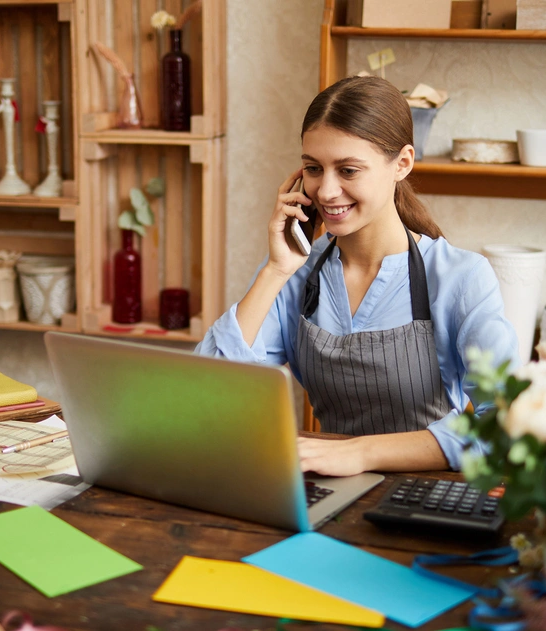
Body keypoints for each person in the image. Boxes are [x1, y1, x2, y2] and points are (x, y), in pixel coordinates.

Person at [194, 76, 518, 477]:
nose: (326, 191)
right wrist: (275, 271)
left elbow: (506, 426)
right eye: (313, 168)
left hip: (425, 495)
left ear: (402, 164)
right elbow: (207, 393)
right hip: (326, 490)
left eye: (348, 170)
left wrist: (363, 453)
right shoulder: (298, 271)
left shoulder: (461, 277)